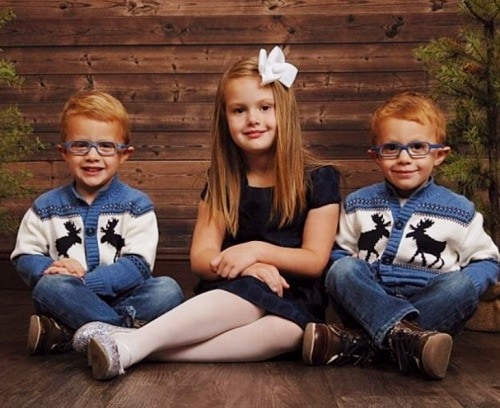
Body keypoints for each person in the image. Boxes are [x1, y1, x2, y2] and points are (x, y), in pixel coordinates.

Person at [73, 46, 341, 380]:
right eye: (239, 110)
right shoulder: (223, 181)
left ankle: (133, 343)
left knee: (290, 334)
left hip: (298, 295)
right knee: (251, 292)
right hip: (235, 289)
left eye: (265, 107)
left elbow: (315, 259)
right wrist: (248, 265)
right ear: (224, 118)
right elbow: (201, 258)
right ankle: (129, 348)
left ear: (284, 112)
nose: (253, 119)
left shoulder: (319, 178)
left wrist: (255, 250)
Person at [302, 92, 500, 380]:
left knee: (460, 286)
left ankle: (358, 344)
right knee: (342, 270)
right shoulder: (359, 202)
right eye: (392, 148)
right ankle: (408, 341)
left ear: (439, 155)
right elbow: (340, 253)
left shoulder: (459, 209)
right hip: (368, 299)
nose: (405, 158)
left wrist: (467, 282)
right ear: (376, 156)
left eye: (418, 147)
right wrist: (347, 270)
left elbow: (488, 260)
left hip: (431, 303)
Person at [10, 90, 184, 355]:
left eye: (106, 146)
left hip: (127, 296)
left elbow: (138, 265)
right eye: (80, 145)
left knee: (167, 289)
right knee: (49, 286)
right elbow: (24, 256)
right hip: (69, 296)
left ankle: (68, 334)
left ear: (124, 154)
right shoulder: (46, 207)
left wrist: (86, 282)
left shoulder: (136, 205)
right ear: (63, 152)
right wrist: (53, 268)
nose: (92, 155)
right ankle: (124, 337)